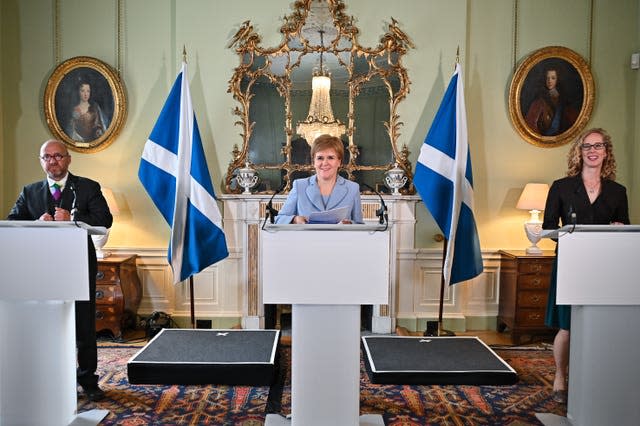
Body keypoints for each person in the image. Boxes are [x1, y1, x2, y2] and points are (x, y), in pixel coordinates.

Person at [7, 139, 113, 401]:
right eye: (47, 157)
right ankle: (56, 379)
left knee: (84, 323)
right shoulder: (30, 191)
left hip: (78, 265)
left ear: (68, 159)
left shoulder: (87, 187)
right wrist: (35, 222)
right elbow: (11, 223)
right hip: (43, 269)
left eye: (57, 156)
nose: (52, 161)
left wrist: (74, 219)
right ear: (41, 161)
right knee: (51, 325)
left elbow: (105, 220)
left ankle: (88, 380)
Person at [542, 128, 629, 403]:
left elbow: (624, 225)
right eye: (587, 147)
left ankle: (594, 377)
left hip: (603, 266)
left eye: (598, 146)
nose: (592, 151)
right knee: (567, 326)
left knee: (599, 325)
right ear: (579, 153)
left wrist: (619, 227)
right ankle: (560, 376)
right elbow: (547, 227)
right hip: (570, 263)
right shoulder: (561, 187)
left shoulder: (618, 191)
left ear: (606, 152)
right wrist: (566, 231)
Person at [275, 134, 363, 224]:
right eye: (320, 158)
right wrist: (294, 219)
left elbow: (359, 225)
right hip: (306, 238)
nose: (325, 163)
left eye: (331, 157)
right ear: (313, 162)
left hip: (341, 238)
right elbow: (279, 219)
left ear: (339, 162)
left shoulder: (353, 188)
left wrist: (350, 224)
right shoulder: (299, 186)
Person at [525, 68, 578, 136]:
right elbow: (531, 123)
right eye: (547, 78)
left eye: (553, 78)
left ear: (557, 79)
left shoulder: (563, 99)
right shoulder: (539, 99)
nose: (549, 81)